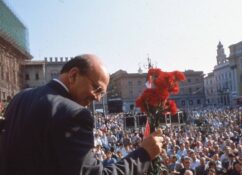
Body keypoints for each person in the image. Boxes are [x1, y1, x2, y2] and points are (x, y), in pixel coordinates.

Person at [1, 54, 164, 175]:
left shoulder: (20, 98)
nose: (97, 97)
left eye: (102, 94)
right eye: (97, 89)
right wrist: (143, 154)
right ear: (73, 75)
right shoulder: (74, 113)